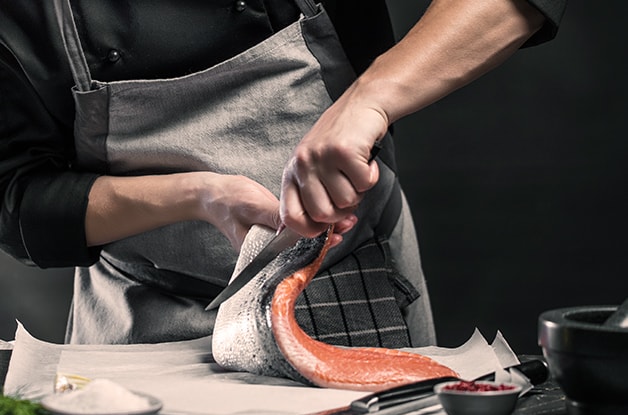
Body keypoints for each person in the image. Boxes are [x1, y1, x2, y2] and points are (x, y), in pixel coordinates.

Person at [0, 0, 566, 346]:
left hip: (353, 279)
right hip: (142, 310)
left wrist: (371, 96)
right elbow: (17, 199)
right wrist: (199, 195)